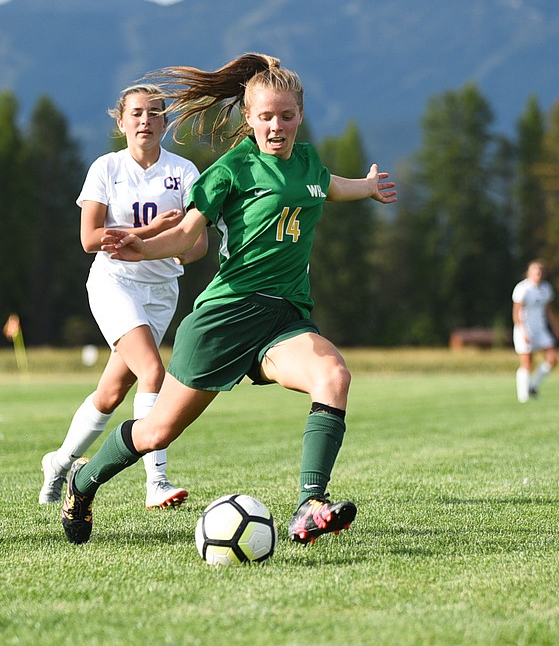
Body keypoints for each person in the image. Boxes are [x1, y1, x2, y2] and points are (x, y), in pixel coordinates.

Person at [58, 53, 396, 546]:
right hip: (225, 317)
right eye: (265, 116)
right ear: (249, 119)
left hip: (283, 319)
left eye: (285, 115)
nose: (276, 126)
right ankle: (82, 483)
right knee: (155, 433)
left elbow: (325, 187)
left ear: (300, 115)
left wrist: (365, 188)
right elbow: (186, 237)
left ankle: (309, 505)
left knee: (334, 376)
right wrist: (141, 248)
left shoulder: (308, 162)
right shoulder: (230, 170)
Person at [39, 84, 207, 509]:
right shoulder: (105, 168)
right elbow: (89, 238)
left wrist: (180, 246)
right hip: (114, 284)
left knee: (112, 393)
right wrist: (150, 233)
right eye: (136, 113)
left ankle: (59, 463)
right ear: (121, 122)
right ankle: (157, 483)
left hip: (162, 290)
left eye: (154, 113)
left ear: (166, 123)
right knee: (153, 374)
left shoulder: (185, 172)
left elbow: (199, 243)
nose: (145, 121)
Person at [512, 260, 559, 403]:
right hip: (525, 329)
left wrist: (556, 327)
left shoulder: (546, 288)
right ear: (529, 273)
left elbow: (549, 311)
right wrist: (523, 332)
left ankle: (533, 385)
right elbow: (516, 312)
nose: (538, 274)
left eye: (540, 271)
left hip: (541, 329)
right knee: (527, 363)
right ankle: (523, 395)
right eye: (535, 271)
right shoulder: (523, 288)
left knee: (553, 358)